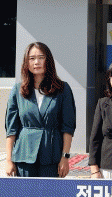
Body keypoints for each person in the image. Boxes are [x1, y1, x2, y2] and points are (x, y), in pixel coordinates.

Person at [5, 42, 76, 178]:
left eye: (41, 57)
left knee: (50, 191)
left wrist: (65, 157)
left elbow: (68, 127)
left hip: (52, 155)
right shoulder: (18, 90)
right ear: (26, 63)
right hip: (24, 155)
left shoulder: (62, 89)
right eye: (32, 58)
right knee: (25, 192)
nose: (36, 62)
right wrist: (9, 160)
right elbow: (11, 128)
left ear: (48, 60)